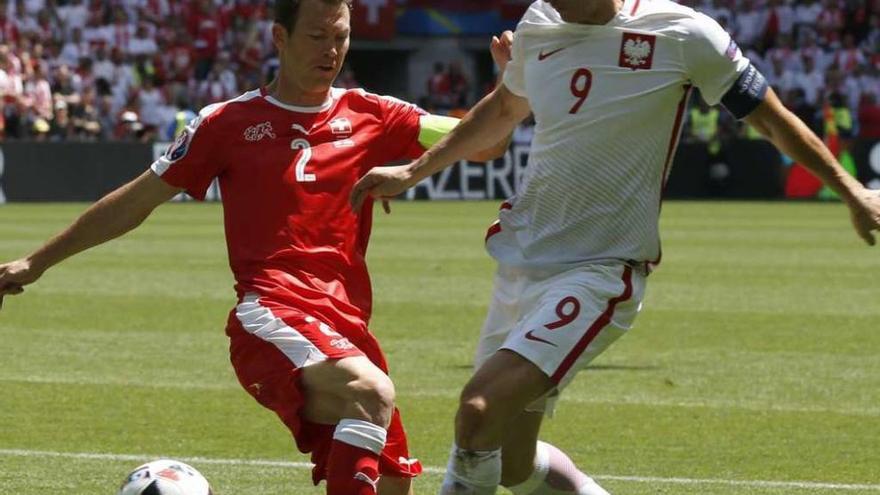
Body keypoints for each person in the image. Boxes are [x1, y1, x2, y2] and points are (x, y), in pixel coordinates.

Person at [350, 1, 880, 494]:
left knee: (477, 410)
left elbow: (769, 117)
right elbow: (507, 106)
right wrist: (414, 171)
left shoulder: (682, 33)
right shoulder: (539, 22)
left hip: (601, 270)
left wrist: (851, 191)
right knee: (512, 462)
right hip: (521, 260)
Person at [0, 1, 509, 494]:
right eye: (317, 36)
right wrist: (36, 261)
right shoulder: (226, 123)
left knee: (395, 481)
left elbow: (482, 143)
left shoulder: (375, 114)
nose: (331, 51)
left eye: (341, 37)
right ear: (279, 37)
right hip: (271, 315)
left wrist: (512, 84)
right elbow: (135, 202)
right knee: (368, 394)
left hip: (346, 327)